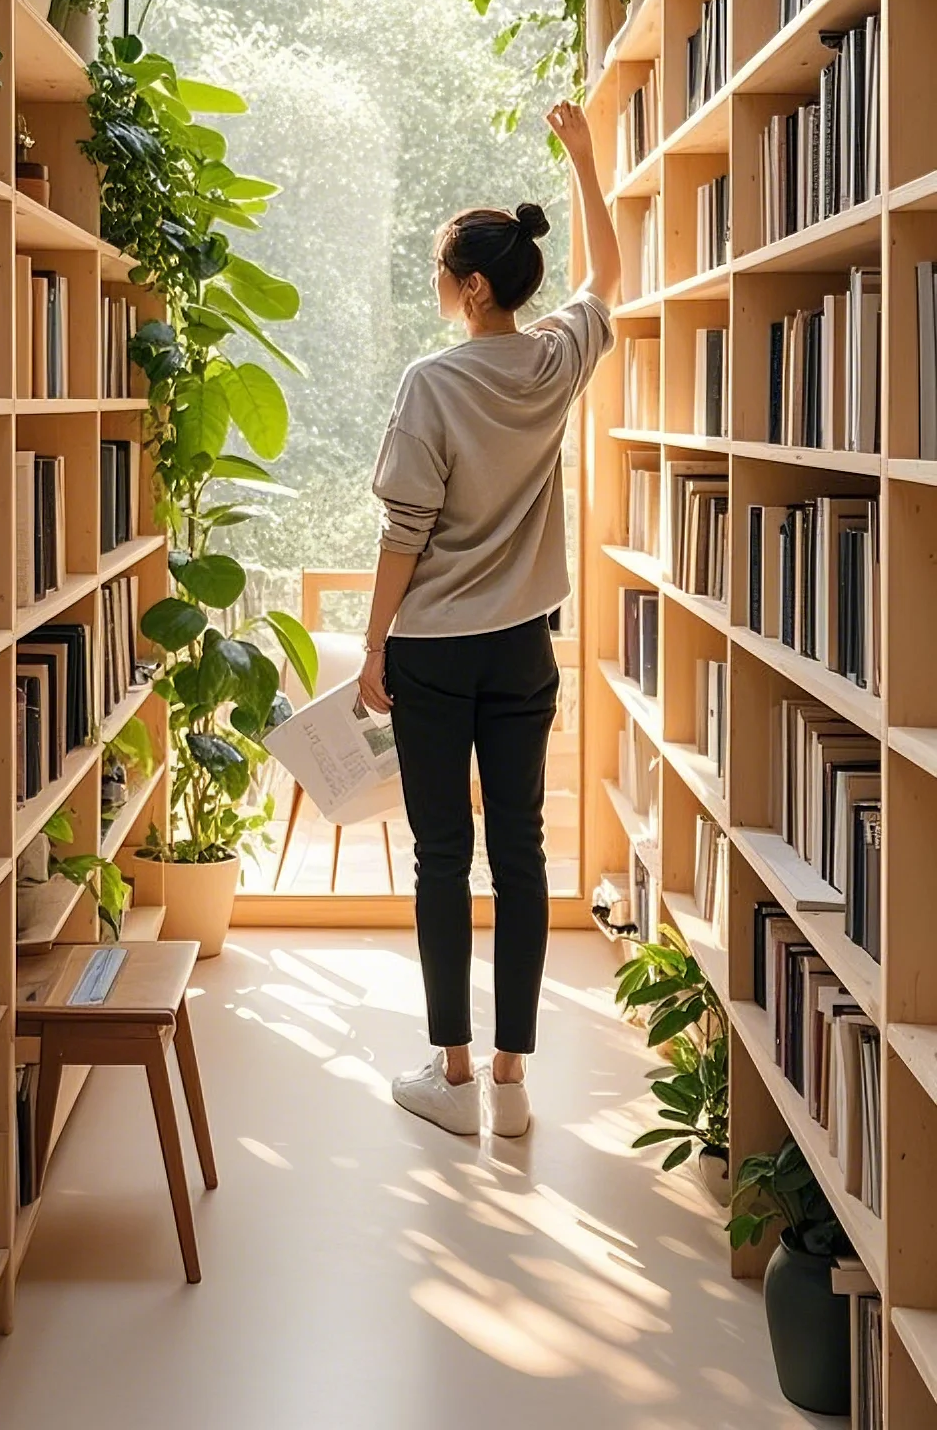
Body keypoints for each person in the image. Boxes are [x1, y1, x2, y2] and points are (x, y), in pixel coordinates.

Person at [361, 99, 620, 1138]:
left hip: (431, 652)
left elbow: (403, 534)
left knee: (440, 855)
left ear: (471, 286)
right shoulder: (555, 361)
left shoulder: (432, 380)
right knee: (521, 851)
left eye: (438, 269)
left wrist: (374, 642)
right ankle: (512, 1083)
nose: (435, 285)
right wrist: (585, 159)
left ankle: (454, 1074)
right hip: (523, 645)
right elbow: (609, 274)